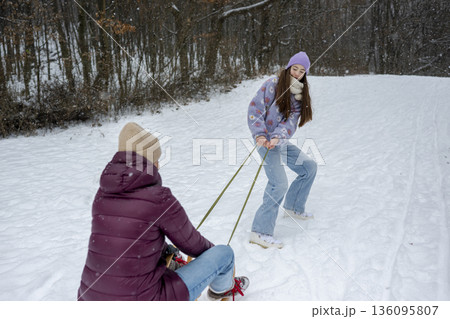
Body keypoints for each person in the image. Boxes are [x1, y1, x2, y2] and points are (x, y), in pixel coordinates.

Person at [77, 122, 249, 301]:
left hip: (89, 297)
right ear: (149, 161)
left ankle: (172, 264)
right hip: (144, 299)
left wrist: (165, 249)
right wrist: (211, 256)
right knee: (224, 254)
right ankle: (222, 290)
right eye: (157, 158)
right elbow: (192, 245)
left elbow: (127, 237)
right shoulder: (158, 197)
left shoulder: (102, 194)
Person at [247, 51, 317, 249]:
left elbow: (291, 121)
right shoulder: (272, 84)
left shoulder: (298, 94)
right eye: (295, 68)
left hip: (278, 142)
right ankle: (260, 231)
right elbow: (255, 110)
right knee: (278, 184)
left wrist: (278, 137)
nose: (297, 73)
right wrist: (260, 135)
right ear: (288, 68)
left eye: (302, 71)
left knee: (309, 167)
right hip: (263, 141)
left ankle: (293, 207)